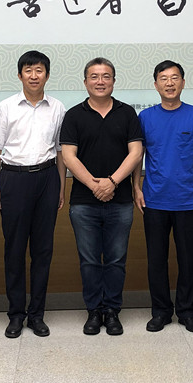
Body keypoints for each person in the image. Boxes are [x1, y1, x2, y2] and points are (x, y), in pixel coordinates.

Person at [0, 50, 66, 338]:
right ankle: (16, 315)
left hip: (47, 179)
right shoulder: (6, 107)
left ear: (47, 75)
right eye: (28, 70)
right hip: (13, 180)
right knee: (15, 250)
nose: (34, 75)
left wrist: (60, 187)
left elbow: (61, 152)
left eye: (39, 70)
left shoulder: (57, 108)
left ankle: (37, 315)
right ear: (20, 75)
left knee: (43, 250)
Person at [60, 58, 143, 336]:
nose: (100, 81)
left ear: (114, 81)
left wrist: (112, 182)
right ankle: (94, 311)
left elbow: (136, 152)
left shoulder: (127, 113)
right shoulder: (74, 115)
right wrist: (95, 185)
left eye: (106, 76)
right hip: (84, 202)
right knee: (90, 261)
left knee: (117, 260)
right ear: (85, 82)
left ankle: (112, 311)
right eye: (94, 76)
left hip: (120, 201)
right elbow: (68, 156)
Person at [132, 60, 193, 333]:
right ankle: (161, 312)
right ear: (156, 84)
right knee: (156, 260)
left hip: (188, 200)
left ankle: (188, 312)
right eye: (164, 78)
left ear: (183, 82)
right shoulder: (145, 117)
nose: (169, 83)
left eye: (175, 77)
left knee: (188, 259)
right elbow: (138, 155)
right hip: (154, 199)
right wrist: (136, 187)